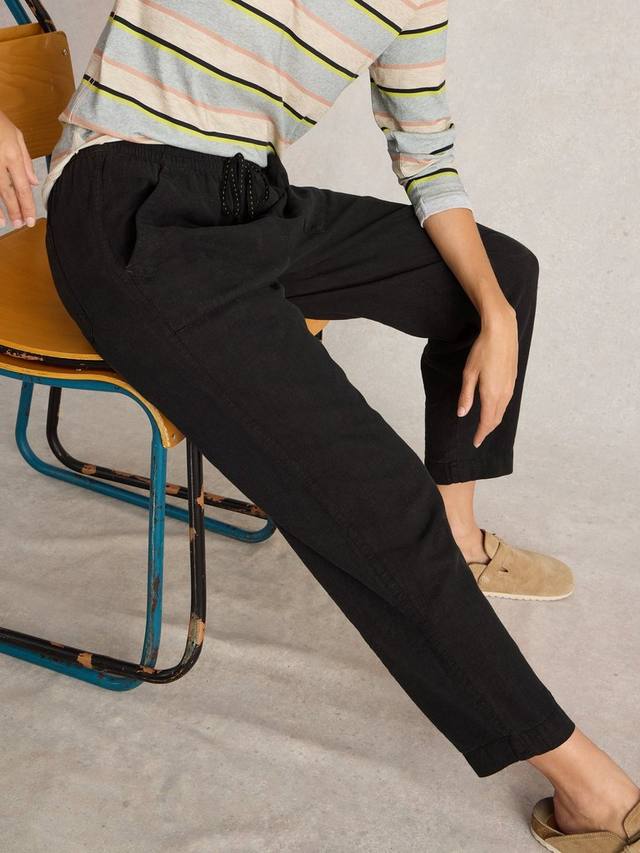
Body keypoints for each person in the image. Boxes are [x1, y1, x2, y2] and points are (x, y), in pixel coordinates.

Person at [2, 1, 638, 848]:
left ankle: (459, 541)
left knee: (502, 277)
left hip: (257, 206)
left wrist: (493, 309)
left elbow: (429, 159)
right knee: (378, 493)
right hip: (129, 205)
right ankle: (589, 788)